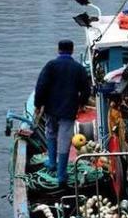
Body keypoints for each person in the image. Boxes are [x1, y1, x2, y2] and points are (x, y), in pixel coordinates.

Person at [34, 40, 92, 186]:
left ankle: (52, 163)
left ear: (58, 50)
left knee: (51, 132)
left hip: (51, 108)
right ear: (72, 51)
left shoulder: (50, 66)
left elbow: (41, 86)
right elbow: (86, 89)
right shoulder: (78, 68)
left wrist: (38, 104)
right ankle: (61, 176)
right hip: (68, 109)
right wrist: (81, 103)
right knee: (64, 140)